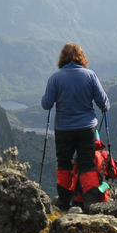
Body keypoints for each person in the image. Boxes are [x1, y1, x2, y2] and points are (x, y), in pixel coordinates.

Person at [42, 42, 110, 210]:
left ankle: (64, 202)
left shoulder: (55, 78)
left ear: (62, 59)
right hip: (87, 128)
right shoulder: (90, 75)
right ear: (81, 57)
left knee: (64, 163)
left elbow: (46, 104)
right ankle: (90, 202)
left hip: (64, 128)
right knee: (87, 162)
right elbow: (104, 103)